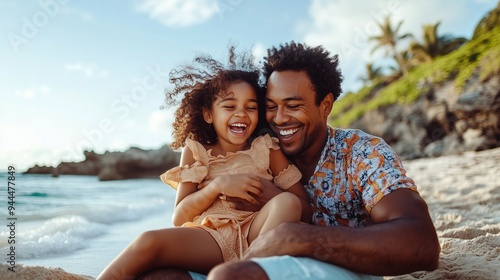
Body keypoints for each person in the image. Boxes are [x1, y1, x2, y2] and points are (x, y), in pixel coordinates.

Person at [205, 42, 441, 279]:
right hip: (240, 254)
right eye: (271, 107)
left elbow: (422, 242)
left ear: (326, 105)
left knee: (230, 276)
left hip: (342, 268)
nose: (279, 118)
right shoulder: (257, 150)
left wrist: (298, 238)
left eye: (293, 106)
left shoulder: (360, 152)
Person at [97, 47, 312, 280]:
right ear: (208, 114)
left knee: (288, 202)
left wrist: (270, 196)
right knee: (149, 241)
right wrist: (217, 186)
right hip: (211, 239)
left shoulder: (266, 148)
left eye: (251, 107)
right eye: (230, 106)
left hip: (257, 236)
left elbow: (304, 208)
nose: (241, 113)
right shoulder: (196, 151)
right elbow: (179, 218)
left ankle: (246, 272)